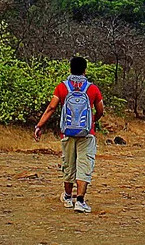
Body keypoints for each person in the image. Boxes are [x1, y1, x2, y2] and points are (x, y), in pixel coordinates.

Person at [34, 56, 105, 214]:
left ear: (70, 69)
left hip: (67, 133)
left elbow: (51, 108)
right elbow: (100, 110)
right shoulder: (92, 89)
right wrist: (92, 121)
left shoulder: (62, 87)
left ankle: (67, 197)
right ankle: (80, 200)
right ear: (85, 70)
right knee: (84, 165)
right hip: (87, 134)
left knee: (69, 165)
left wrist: (39, 125)